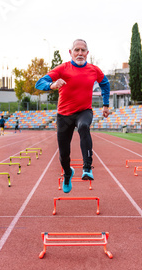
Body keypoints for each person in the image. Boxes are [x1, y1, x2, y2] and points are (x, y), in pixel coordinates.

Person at [35, 39, 110, 193]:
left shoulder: (94, 70)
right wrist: (52, 85)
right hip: (64, 115)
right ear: (71, 52)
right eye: (77, 50)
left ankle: (87, 168)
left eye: (83, 50)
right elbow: (39, 83)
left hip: (84, 111)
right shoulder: (62, 69)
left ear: (87, 53)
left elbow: (105, 84)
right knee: (63, 155)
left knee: (84, 127)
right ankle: (68, 173)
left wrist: (106, 104)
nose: (80, 53)